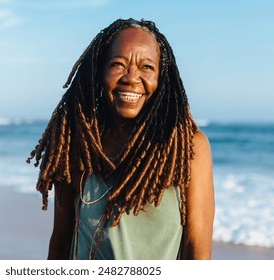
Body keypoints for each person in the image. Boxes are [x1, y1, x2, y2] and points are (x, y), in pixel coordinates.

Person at [27, 18, 214, 260]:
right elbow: (61, 244)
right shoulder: (77, 146)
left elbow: (197, 249)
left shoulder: (190, 148)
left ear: (162, 78)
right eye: (118, 64)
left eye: (147, 67)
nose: (131, 77)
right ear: (99, 71)